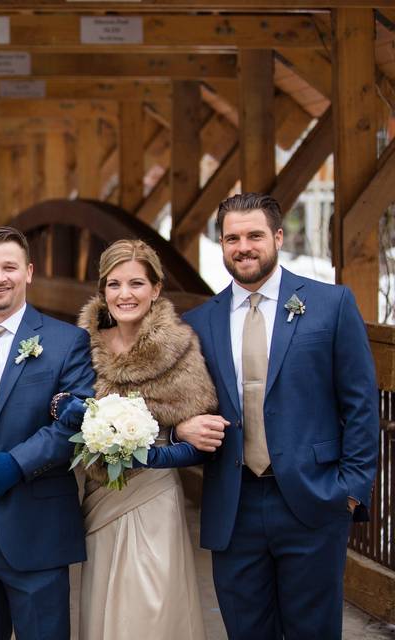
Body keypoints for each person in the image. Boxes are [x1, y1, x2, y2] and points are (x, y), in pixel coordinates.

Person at [178, 193, 379, 638]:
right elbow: (176, 403)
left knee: (315, 631)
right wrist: (179, 427)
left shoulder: (332, 305)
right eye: (232, 238)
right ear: (222, 243)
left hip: (313, 500)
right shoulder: (196, 322)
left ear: (278, 237)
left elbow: (361, 404)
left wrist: (349, 492)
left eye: (254, 235)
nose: (243, 247)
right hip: (233, 504)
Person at [0, 226, 95, 640]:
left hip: (35, 526)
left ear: (28, 272)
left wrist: (20, 463)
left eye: (9, 267)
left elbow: (76, 423)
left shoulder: (67, 341)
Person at [71, 239, 216, 639]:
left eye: (136, 283)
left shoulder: (179, 348)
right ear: (101, 292)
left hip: (152, 496)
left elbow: (198, 437)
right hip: (98, 497)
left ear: (155, 289)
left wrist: (162, 436)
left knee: (152, 610)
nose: (124, 294)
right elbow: (60, 414)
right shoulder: (79, 347)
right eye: (114, 284)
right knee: (103, 607)